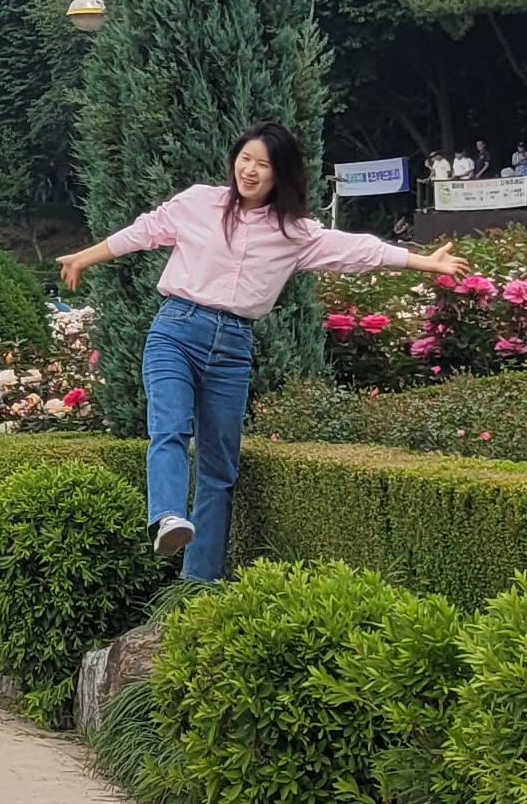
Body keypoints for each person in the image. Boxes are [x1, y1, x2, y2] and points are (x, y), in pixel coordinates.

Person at [57, 123, 464, 586]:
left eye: (263, 165)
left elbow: (355, 250)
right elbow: (143, 232)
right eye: (244, 159)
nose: (249, 170)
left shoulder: (293, 232)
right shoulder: (198, 203)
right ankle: (167, 517)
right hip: (176, 330)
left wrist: (422, 261)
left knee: (219, 467)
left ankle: (199, 584)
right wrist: (83, 257)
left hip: (233, 347)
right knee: (170, 427)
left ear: (280, 174)